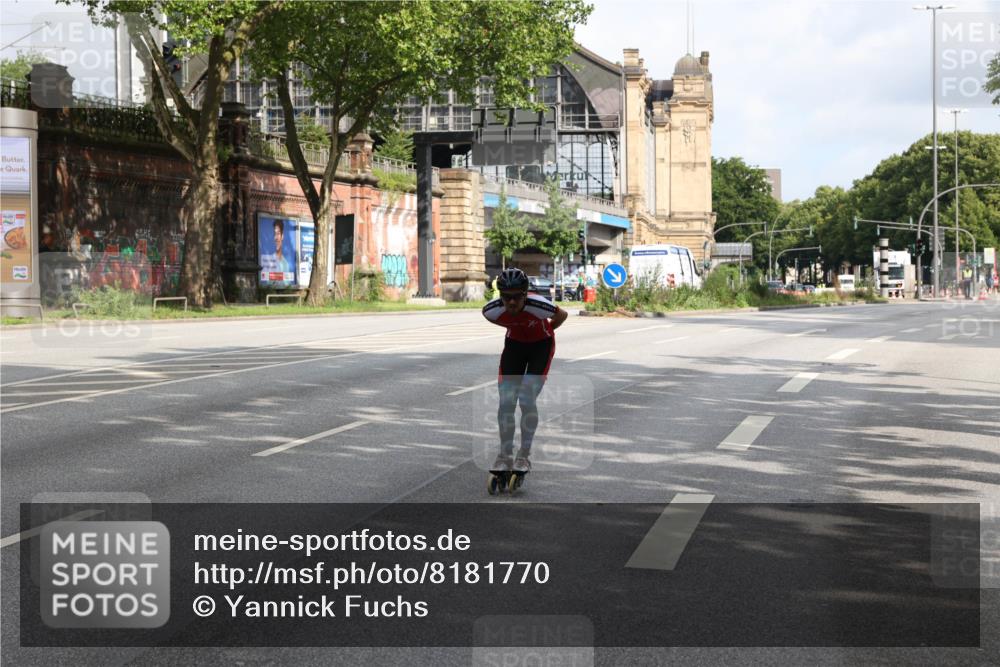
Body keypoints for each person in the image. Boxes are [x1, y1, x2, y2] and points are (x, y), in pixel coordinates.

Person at [482, 267, 568, 475]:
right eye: (506, 297)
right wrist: (519, 327)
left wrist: (545, 329)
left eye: (518, 297)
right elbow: (503, 321)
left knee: (527, 399)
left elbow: (562, 315)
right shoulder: (491, 311)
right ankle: (504, 455)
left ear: (525, 294)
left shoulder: (538, 305)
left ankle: (524, 455)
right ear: (500, 295)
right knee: (506, 402)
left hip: (541, 346)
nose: (511, 302)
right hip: (515, 347)